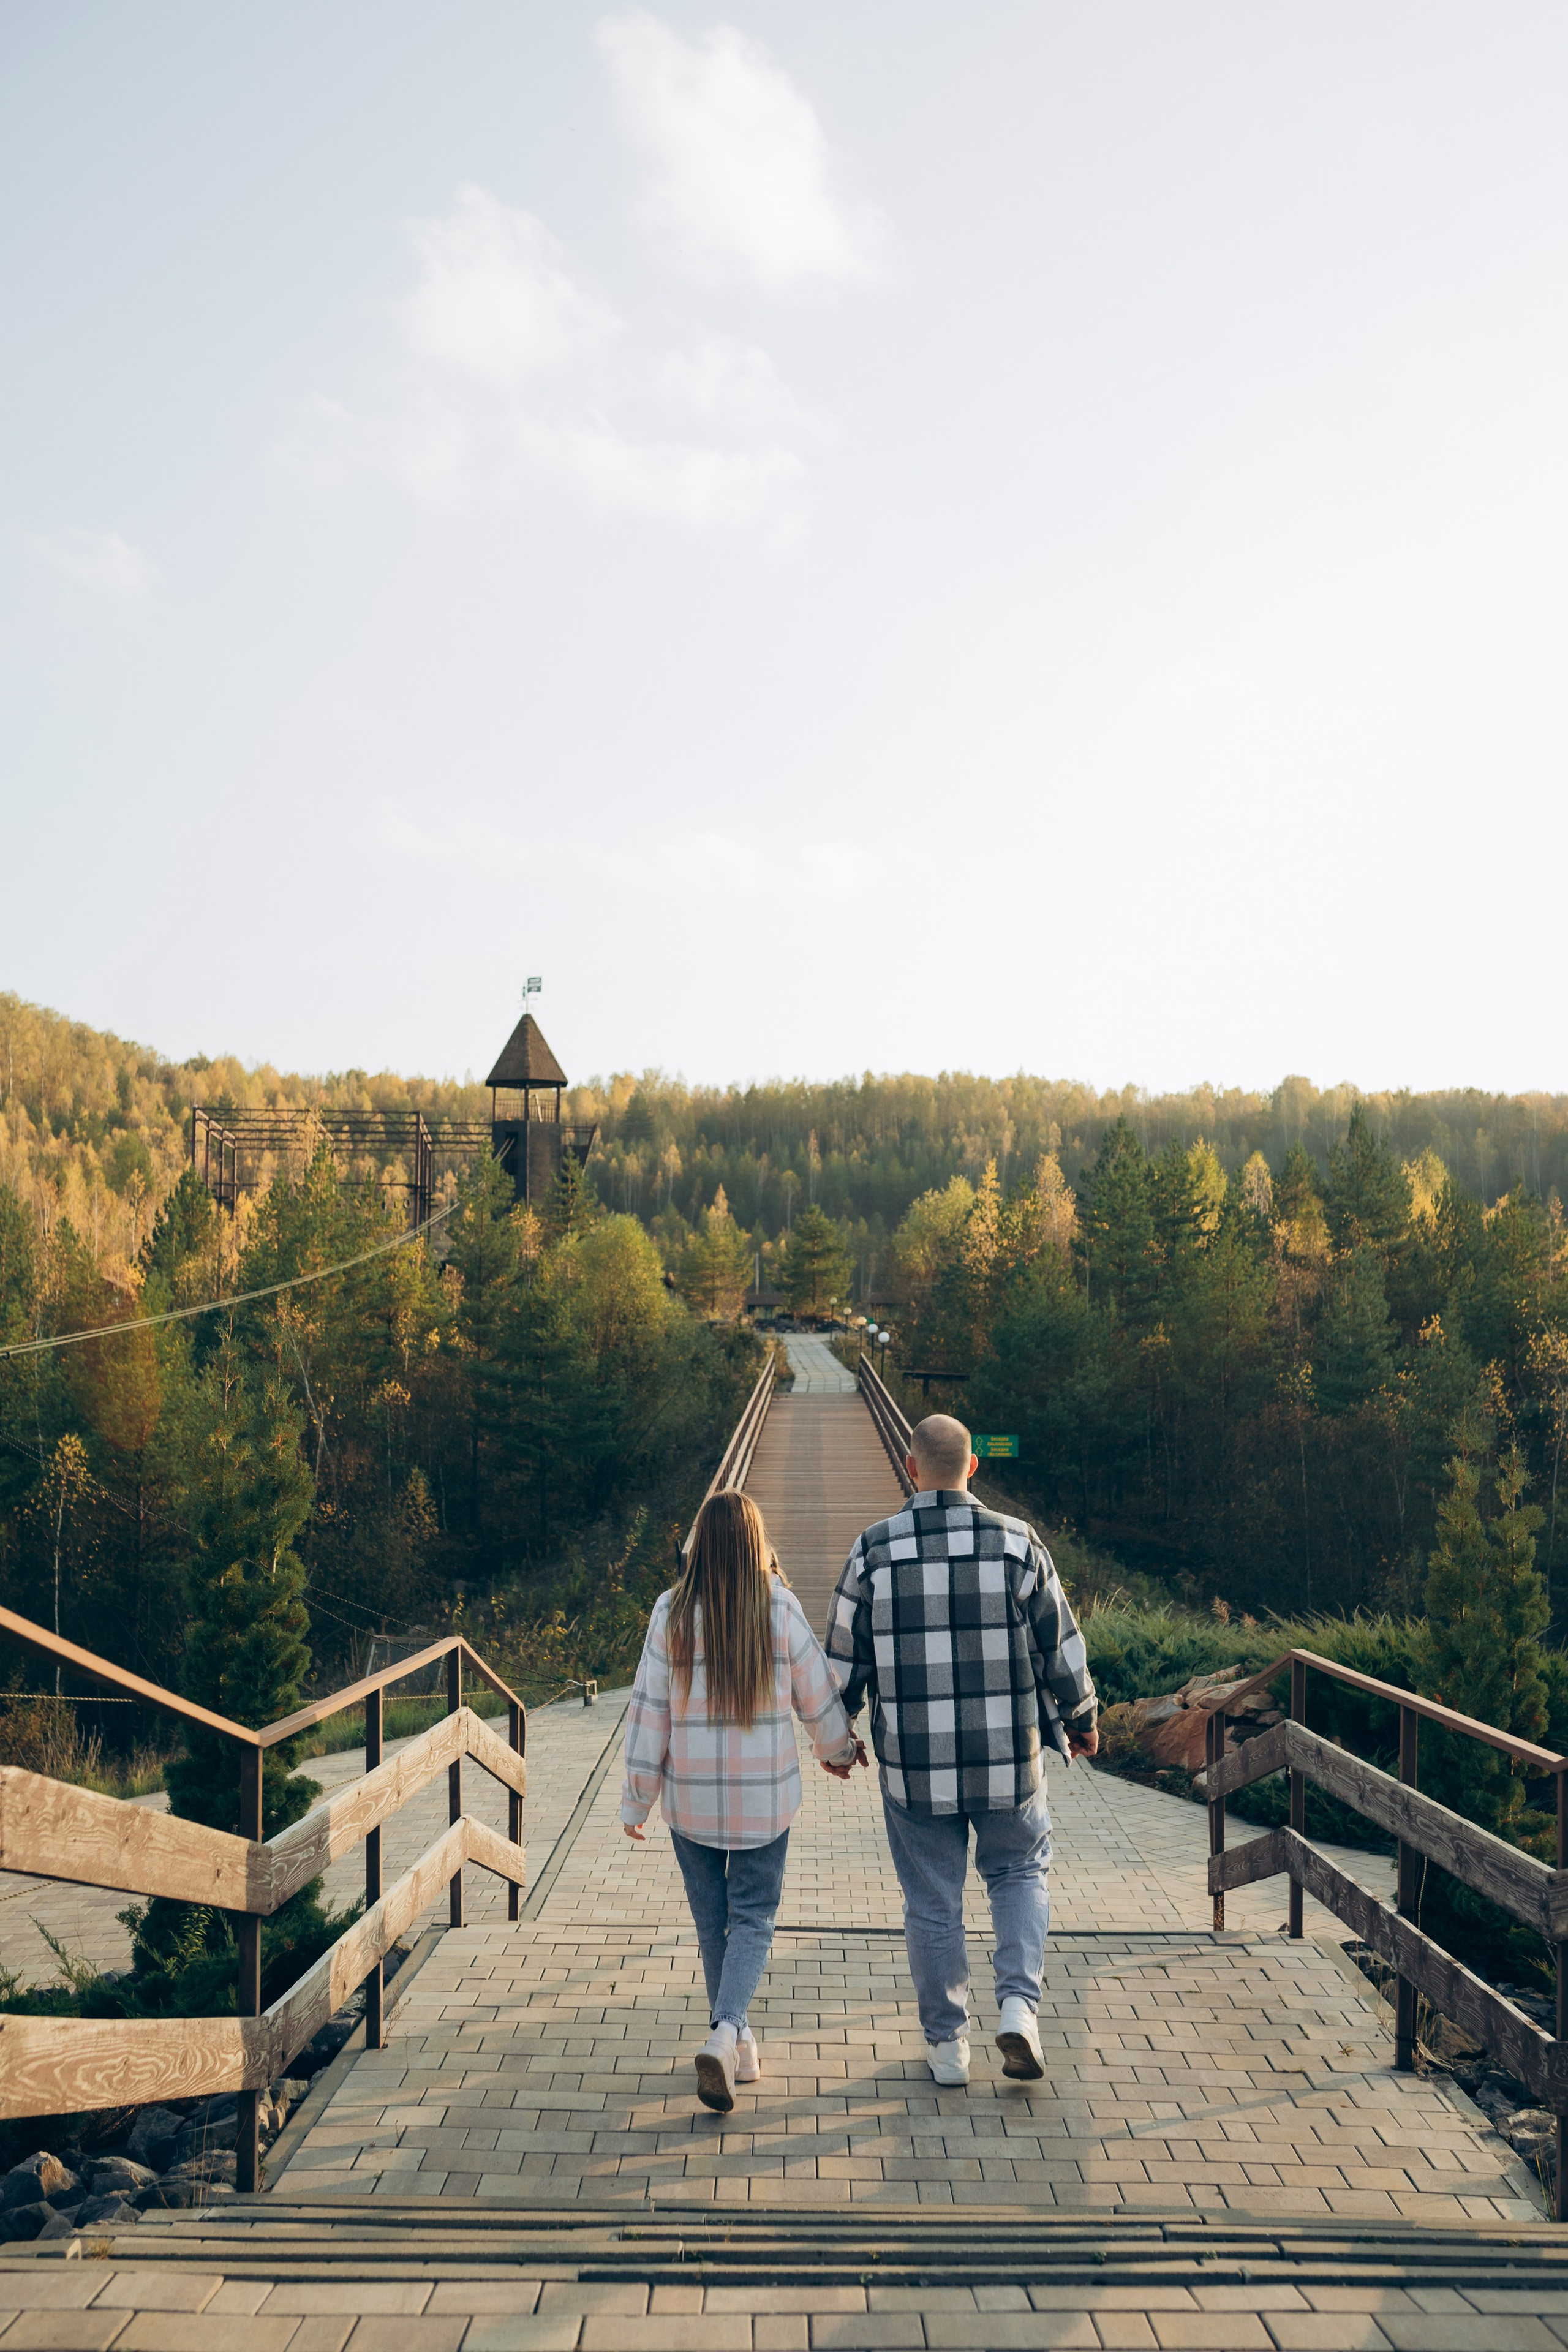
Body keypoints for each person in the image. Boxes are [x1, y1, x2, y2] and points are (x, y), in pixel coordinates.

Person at [825, 1413, 1097, 2088]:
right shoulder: (1017, 1542)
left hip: (915, 1768)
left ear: (911, 1469)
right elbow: (1057, 1641)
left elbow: (840, 1657)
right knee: (1020, 1873)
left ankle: (948, 2048)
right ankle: (1018, 2010)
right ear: (970, 1467)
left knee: (933, 1902)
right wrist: (1081, 1715)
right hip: (1010, 1755)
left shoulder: (873, 1550)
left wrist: (838, 1736)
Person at [621, 1487, 867, 2113]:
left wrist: (636, 1800)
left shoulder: (670, 1612)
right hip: (763, 1801)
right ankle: (729, 2030)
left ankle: (738, 2046)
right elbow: (817, 1696)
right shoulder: (779, 1608)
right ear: (758, 1544)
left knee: (714, 1926)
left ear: (699, 1545)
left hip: (690, 1802)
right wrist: (837, 1752)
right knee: (752, 1920)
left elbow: (648, 1713)